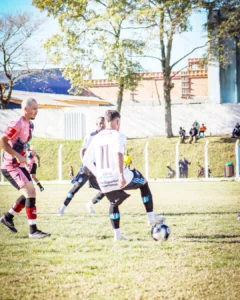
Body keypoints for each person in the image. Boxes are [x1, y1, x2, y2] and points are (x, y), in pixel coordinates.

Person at [83, 110, 166, 241]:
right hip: (118, 176)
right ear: (117, 121)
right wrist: (121, 175)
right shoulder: (118, 135)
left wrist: (98, 174)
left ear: (105, 121)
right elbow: (118, 153)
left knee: (113, 202)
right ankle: (151, 217)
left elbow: (86, 160)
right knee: (143, 182)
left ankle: (117, 235)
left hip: (103, 179)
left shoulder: (97, 137)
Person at [0, 98, 50, 239]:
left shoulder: (29, 125)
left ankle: (8, 217)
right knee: (31, 192)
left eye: (37, 108)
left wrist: (25, 155)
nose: (37, 111)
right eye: (34, 108)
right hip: (10, 166)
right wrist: (16, 155)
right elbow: (2, 142)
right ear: (26, 109)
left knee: (29, 193)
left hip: (20, 165)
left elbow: (22, 143)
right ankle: (33, 231)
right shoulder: (17, 122)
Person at [57, 117, 106, 216]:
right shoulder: (91, 136)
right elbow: (82, 150)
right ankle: (62, 209)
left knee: (105, 188)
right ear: (96, 124)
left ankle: (89, 204)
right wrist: (85, 164)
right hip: (88, 166)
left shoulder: (106, 136)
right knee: (76, 187)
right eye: (100, 123)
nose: (102, 125)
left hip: (99, 167)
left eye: (104, 123)